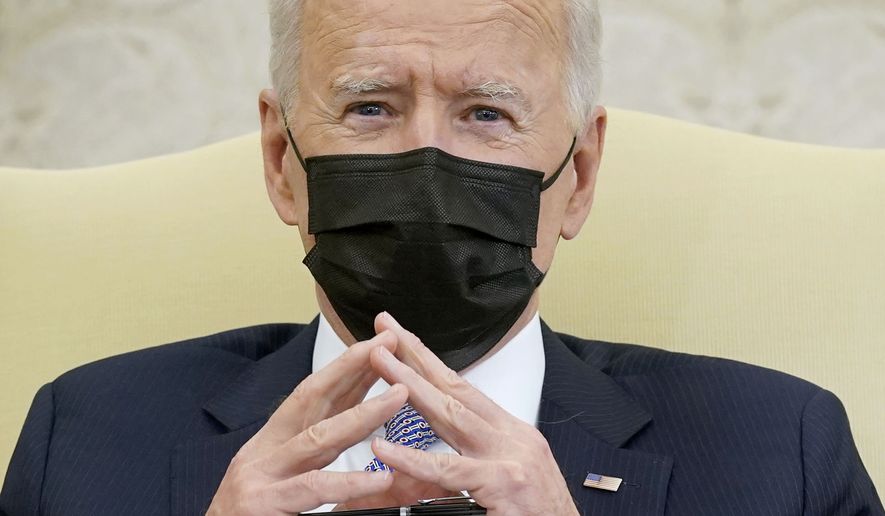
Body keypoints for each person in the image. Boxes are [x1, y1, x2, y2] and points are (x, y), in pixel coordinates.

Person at [1, 0, 882, 514]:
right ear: (281, 164)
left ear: (577, 176)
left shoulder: (780, 454)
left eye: (487, 115)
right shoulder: (81, 438)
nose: (427, 166)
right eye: (371, 109)